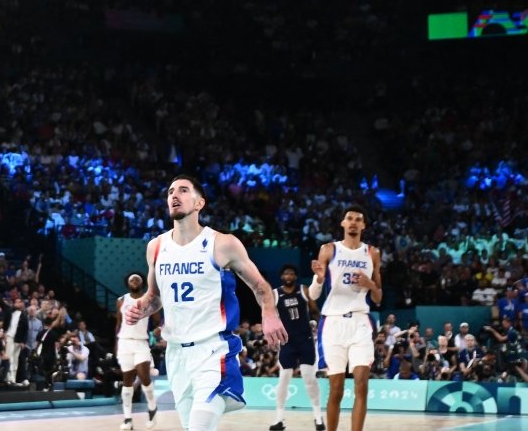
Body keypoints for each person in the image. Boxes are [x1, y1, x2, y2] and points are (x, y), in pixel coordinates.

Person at [126, 176, 286, 431]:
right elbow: (155, 297)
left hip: (213, 350)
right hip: (176, 353)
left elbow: (260, 286)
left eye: (183, 190)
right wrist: (141, 308)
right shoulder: (156, 247)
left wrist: (269, 314)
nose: (174, 195)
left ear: (200, 202)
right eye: (170, 191)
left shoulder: (222, 243)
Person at [310, 205, 382, 431]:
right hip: (333, 322)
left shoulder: (372, 253)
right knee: (337, 388)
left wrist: (370, 284)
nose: (353, 222)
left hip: (360, 321)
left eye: (358, 219)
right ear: (342, 223)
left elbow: (378, 297)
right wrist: (319, 279)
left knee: (362, 384)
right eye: (349, 218)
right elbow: (313, 295)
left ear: (363, 225)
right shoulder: (329, 249)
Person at [269, 265, 324, 431]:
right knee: (283, 379)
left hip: (305, 340)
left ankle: (318, 417)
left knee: (309, 378)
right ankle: (279, 420)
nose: (289, 275)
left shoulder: (304, 290)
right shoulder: (275, 294)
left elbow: (315, 311)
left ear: (295, 276)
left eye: (292, 273)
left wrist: (319, 325)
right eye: (286, 273)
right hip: (287, 342)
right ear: (281, 276)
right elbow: (270, 316)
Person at [116, 271, 159, 431]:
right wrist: (116, 345)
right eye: (131, 279)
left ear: (142, 283)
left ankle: (152, 407)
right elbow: (118, 324)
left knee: (143, 376)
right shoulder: (121, 301)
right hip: (124, 343)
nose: (134, 281)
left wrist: (159, 330)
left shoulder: (149, 300)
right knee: (127, 381)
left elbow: (158, 321)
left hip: (141, 343)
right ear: (127, 283)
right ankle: (128, 419)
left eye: (137, 279)